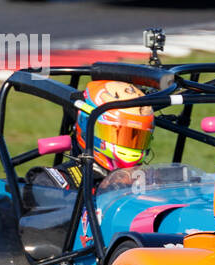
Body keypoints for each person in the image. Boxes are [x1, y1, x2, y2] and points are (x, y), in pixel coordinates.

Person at [26, 80, 154, 195]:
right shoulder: (58, 183)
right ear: (88, 126)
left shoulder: (147, 182)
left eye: (138, 137)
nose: (129, 145)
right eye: (120, 135)